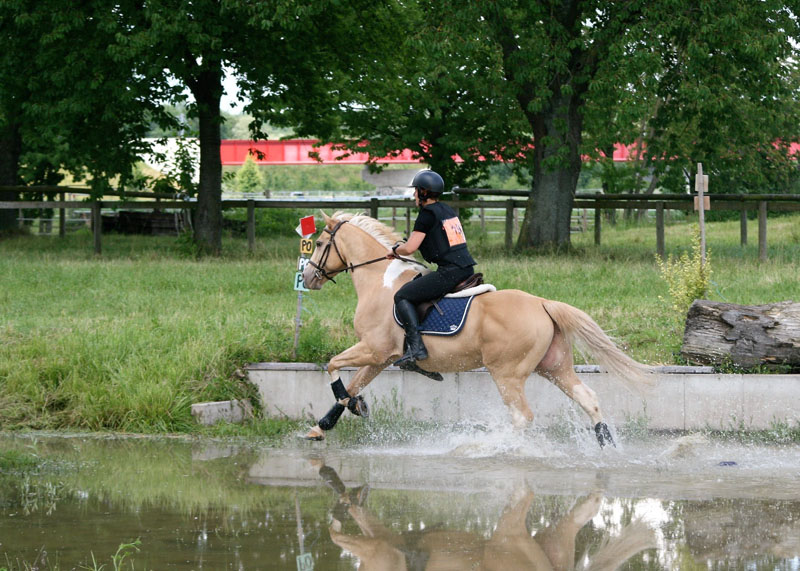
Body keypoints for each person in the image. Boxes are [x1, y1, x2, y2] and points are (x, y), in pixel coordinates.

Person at [387, 170, 476, 369]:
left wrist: (395, 250)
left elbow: (410, 248)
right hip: (466, 268)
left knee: (402, 296)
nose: (414, 195)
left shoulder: (427, 215)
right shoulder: (447, 210)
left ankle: (416, 347)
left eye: (416, 191)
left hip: (450, 272)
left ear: (424, 192)